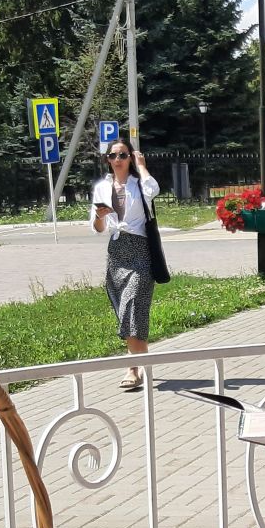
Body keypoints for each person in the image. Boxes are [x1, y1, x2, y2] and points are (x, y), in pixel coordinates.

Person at [90, 139, 159, 391]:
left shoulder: (138, 183)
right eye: (113, 155)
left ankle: (132, 369)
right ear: (107, 159)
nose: (117, 160)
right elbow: (97, 228)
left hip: (140, 250)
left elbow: (153, 190)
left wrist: (142, 166)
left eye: (122, 155)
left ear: (130, 157)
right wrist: (99, 217)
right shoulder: (102, 187)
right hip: (116, 252)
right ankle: (144, 362)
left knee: (131, 304)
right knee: (127, 310)